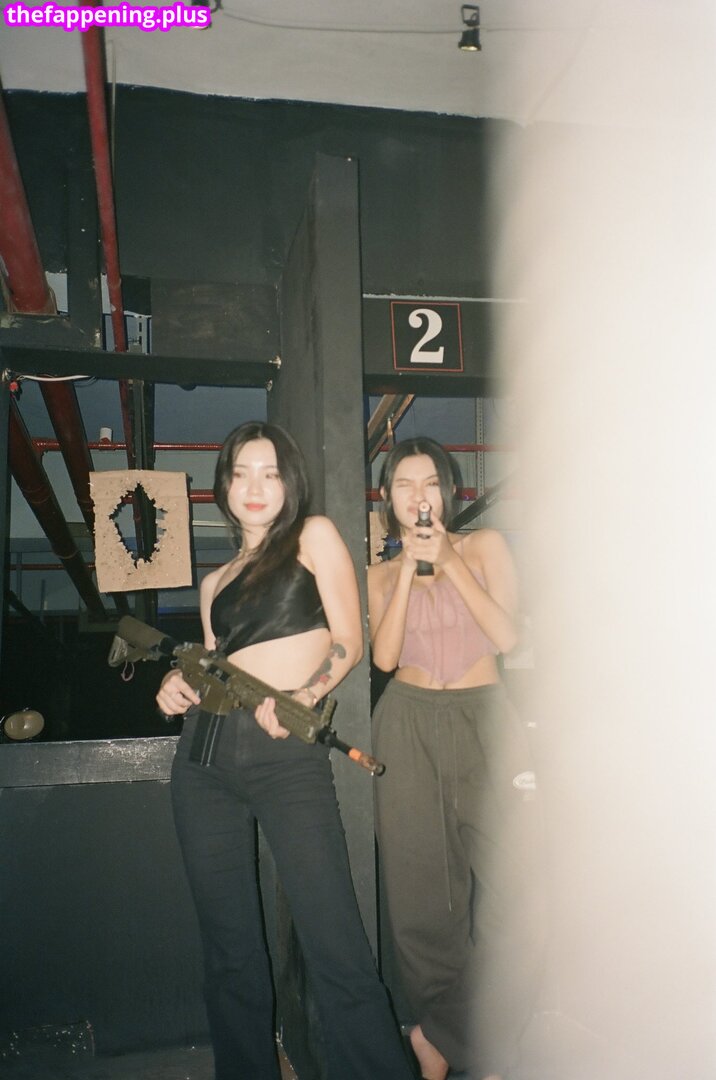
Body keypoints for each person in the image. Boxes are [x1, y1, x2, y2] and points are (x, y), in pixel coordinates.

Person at [157, 421, 414, 1080]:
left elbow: (350, 640)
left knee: (336, 944)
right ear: (224, 485)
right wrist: (177, 684)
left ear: (289, 483)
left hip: (285, 754)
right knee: (229, 951)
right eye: (241, 473)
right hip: (204, 758)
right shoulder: (214, 584)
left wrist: (305, 692)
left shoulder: (313, 536)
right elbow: (213, 668)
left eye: (269, 473)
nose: (254, 486)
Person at [368, 437, 544, 1080]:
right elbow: (385, 658)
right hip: (408, 722)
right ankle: (474, 1047)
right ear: (388, 499)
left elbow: (508, 635)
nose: (418, 496)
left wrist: (448, 560)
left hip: (487, 720)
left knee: (527, 894)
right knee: (425, 908)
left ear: (448, 491)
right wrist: (409, 572)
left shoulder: (485, 546)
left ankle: (447, 1036)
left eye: (429, 483)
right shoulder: (378, 574)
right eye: (404, 484)